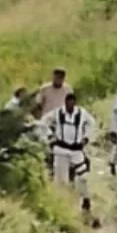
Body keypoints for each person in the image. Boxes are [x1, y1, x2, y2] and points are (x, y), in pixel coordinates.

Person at [41, 92, 97, 223]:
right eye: (68, 102)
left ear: (75, 103)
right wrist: (50, 136)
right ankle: (62, 206)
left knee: (83, 176)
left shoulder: (82, 114)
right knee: (61, 180)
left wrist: (86, 138)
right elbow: (43, 121)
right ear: (65, 102)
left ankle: (86, 200)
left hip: (77, 150)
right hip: (61, 149)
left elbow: (91, 123)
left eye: (72, 102)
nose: (70, 105)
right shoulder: (58, 113)